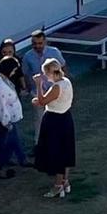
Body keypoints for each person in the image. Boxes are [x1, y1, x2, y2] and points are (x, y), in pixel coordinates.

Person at [34, 57, 76, 198]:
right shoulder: (66, 82)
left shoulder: (56, 86)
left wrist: (38, 85)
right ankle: (65, 181)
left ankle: (58, 185)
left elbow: (42, 100)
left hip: (54, 121)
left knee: (57, 152)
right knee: (66, 150)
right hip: (65, 119)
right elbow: (50, 99)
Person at [0, 56, 27, 177]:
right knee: (1, 145)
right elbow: (1, 106)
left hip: (6, 118)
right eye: (14, 69)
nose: (15, 72)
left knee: (11, 142)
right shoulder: (0, 86)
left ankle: (18, 159)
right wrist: (6, 123)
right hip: (3, 121)